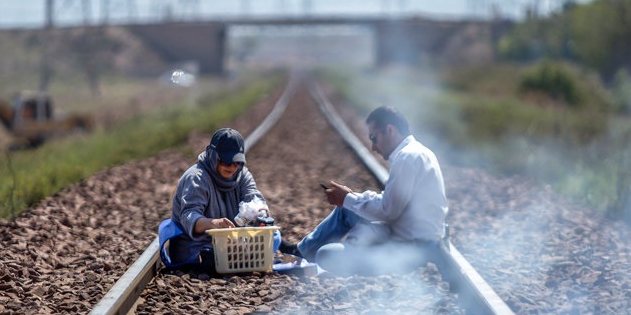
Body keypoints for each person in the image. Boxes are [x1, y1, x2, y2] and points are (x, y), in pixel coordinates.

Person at [279, 106, 448, 276]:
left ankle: (310, 253)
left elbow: (388, 211)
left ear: (390, 130)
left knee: (326, 254)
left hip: (409, 247)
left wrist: (348, 198)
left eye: (374, 138)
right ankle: (302, 251)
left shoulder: (407, 157)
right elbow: (394, 204)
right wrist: (350, 199)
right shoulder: (416, 152)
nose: (373, 147)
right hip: (407, 233)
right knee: (347, 208)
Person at [159, 127, 279, 272]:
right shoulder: (197, 177)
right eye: (226, 161)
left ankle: (239, 257)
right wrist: (214, 223)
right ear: (213, 156)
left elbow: (253, 196)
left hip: (232, 243)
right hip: (198, 246)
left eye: (237, 162)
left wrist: (260, 210)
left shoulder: (242, 175)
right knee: (212, 254)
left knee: (275, 236)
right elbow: (189, 216)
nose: (232, 167)